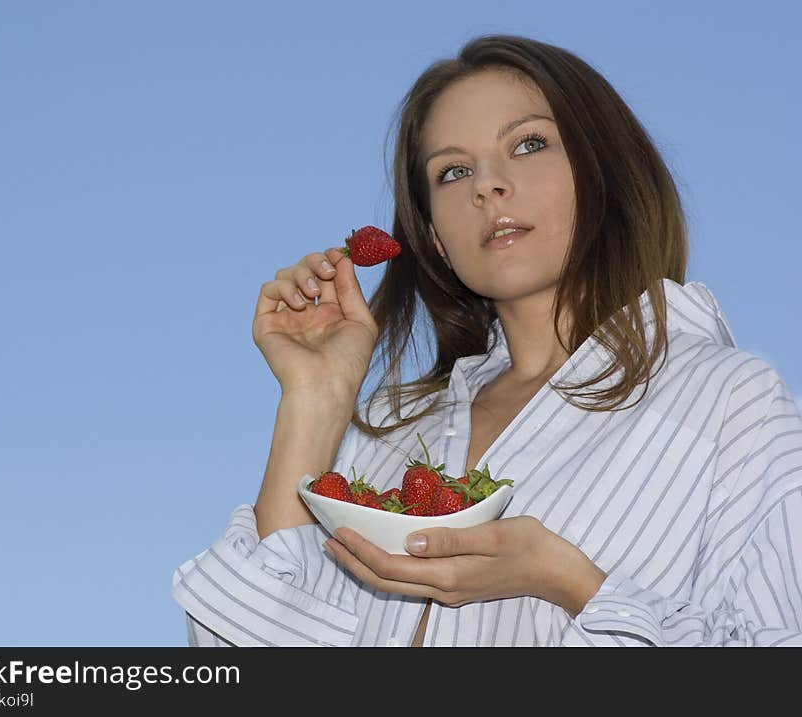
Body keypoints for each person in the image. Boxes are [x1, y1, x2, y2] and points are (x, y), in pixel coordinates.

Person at [171, 34, 802, 646]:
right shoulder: (391, 431)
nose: (486, 186)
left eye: (528, 143)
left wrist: (568, 582)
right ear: (436, 238)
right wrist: (316, 398)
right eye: (452, 172)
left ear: (603, 173)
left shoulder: (726, 401)